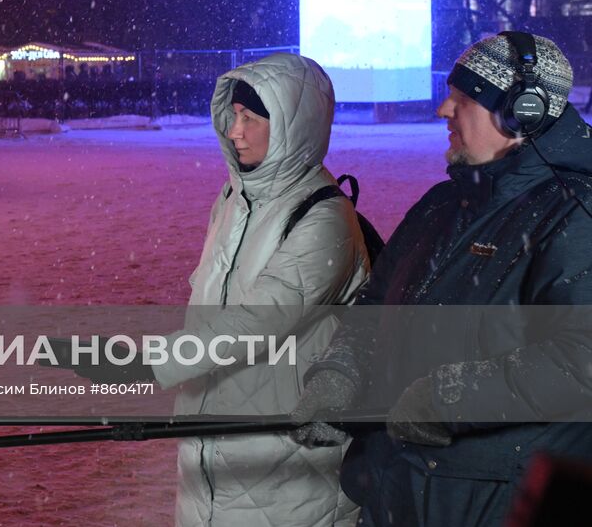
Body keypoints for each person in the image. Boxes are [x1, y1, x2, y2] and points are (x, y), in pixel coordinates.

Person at [292, 32, 592, 526]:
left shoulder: (575, 214)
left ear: (522, 114)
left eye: (465, 97)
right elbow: (375, 307)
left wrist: (452, 396)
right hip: (399, 492)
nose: (443, 110)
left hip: (490, 507)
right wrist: (340, 375)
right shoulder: (441, 204)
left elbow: (581, 359)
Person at [120, 53, 372, 526]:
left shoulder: (325, 219)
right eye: (233, 115)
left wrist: (148, 362)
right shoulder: (235, 198)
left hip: (285, 461)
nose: (235, 130)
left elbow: (259, 318)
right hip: (209, 446)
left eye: (250, 118)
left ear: (294, 127)